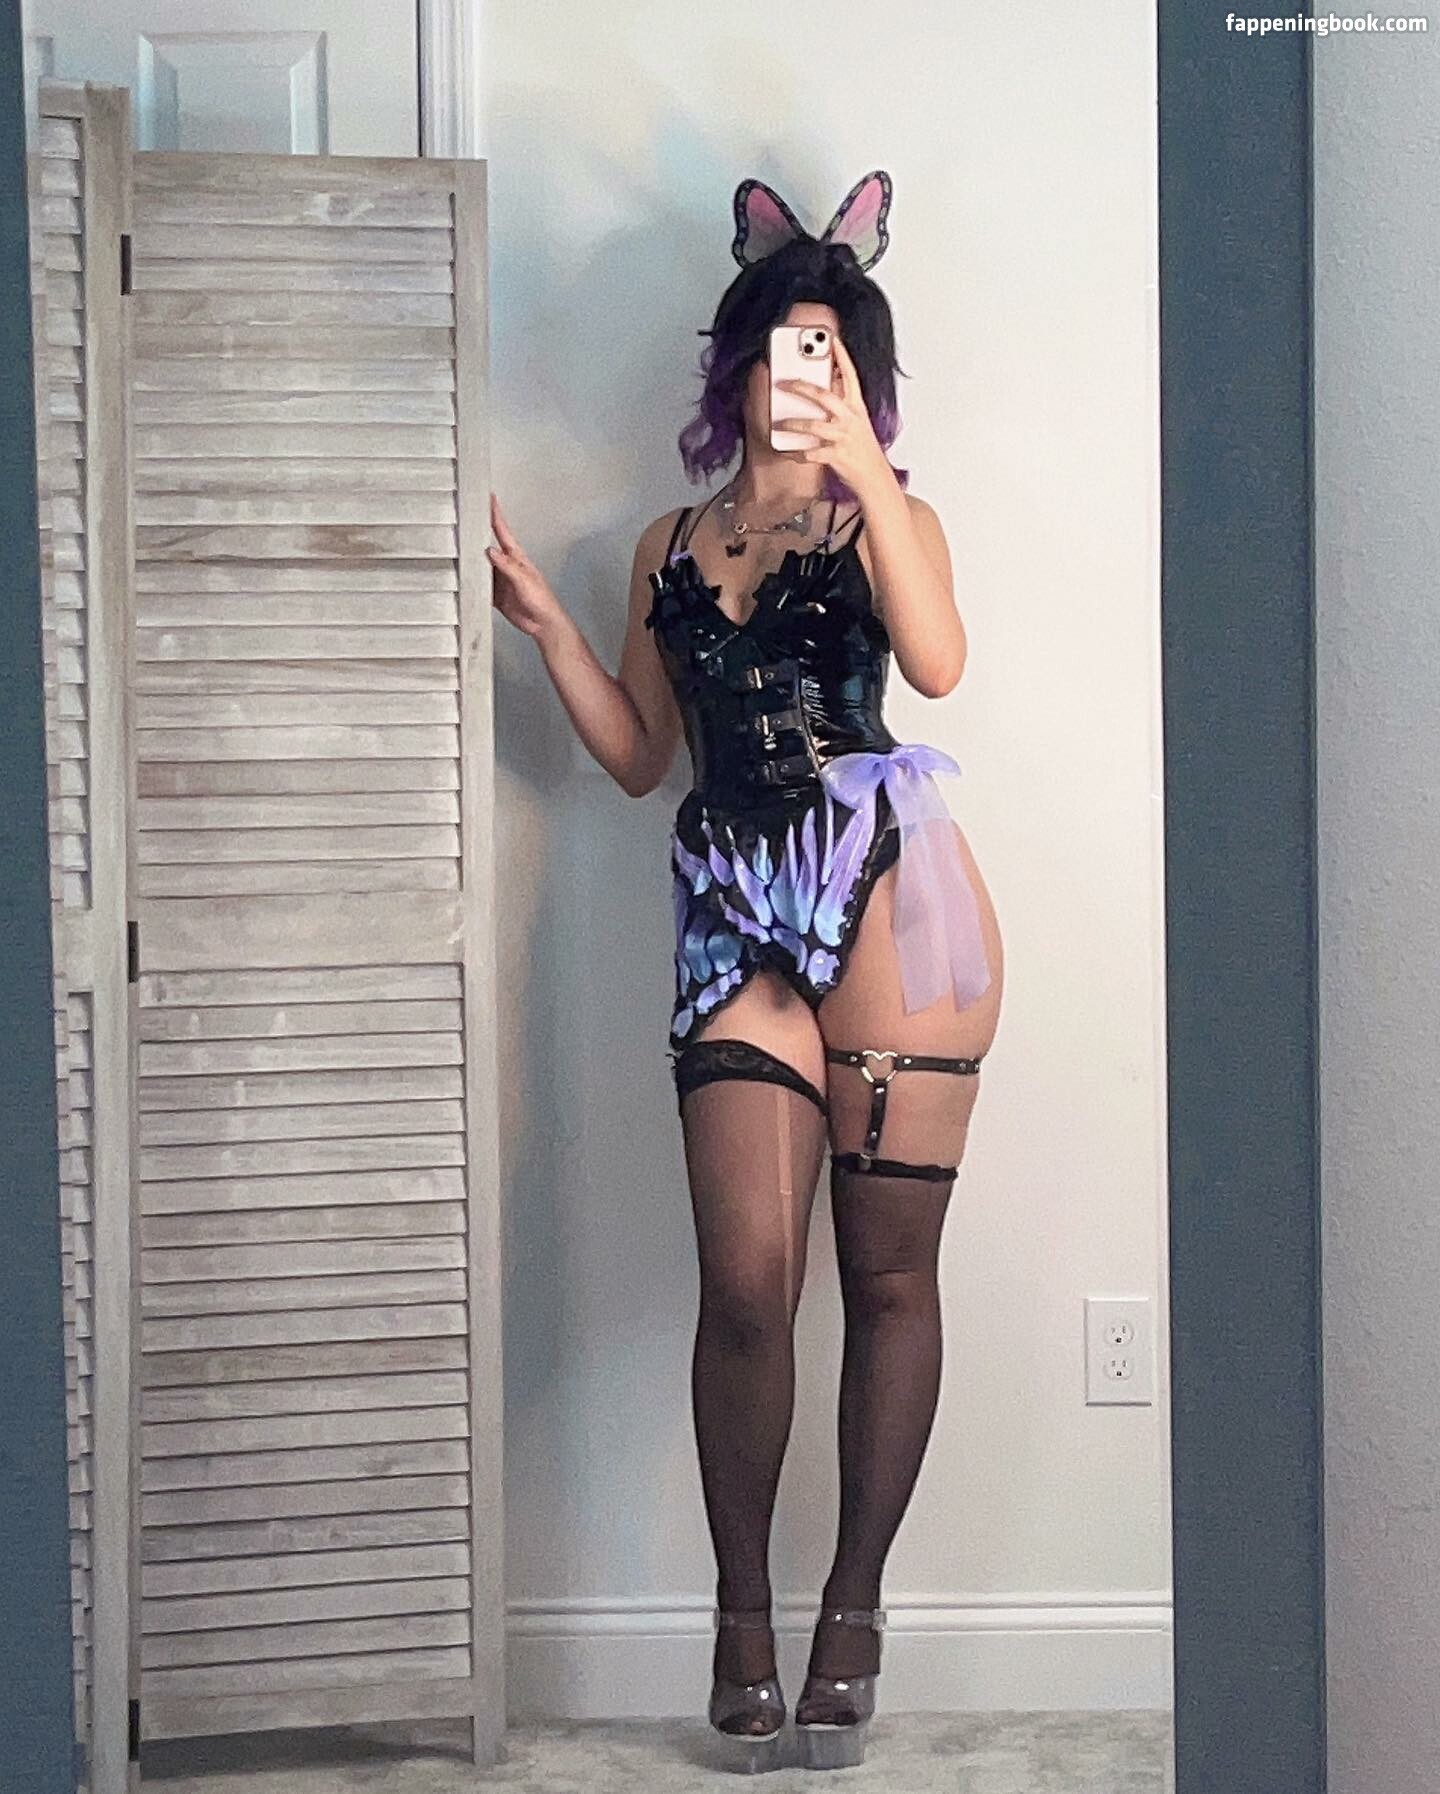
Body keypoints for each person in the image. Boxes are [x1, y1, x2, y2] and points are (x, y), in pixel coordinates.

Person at [488, 169, 1004, 1772]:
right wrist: (548, 627)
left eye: (831, 354)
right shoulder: (667, 540)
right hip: (731, 899)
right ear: (735, 365)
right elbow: (644, 756)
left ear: (861, 372)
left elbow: (937, 665)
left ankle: (854, 1607)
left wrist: (864, 470)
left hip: (889, 894)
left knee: (891, 1276)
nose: (803, 375)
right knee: (750, 1284)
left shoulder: (889, 518)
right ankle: (740, 1617)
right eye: (784, 349)